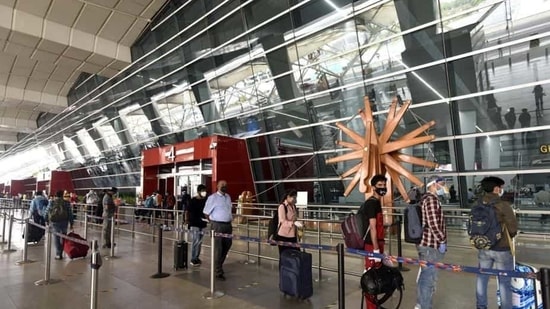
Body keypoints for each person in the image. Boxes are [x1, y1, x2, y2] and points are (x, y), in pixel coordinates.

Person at [476, 176, 518, 309]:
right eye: (500, 187)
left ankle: (481, 306)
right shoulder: (503, 205)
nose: (501, 190)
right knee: (504, 281)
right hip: (501, 248)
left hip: (483, 246)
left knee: (482, 278)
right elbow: (512, 228)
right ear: (496, 188)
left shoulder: (478, 204)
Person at [415, 176, 447, 309]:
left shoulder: (425, 199)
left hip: (425, 242)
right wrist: (442, 240)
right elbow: (433, 223)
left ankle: (421, 303)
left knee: (425, 275)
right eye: (441, 184)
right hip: (430, 244)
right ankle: (425, 306)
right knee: (429, 278)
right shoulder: (431, 200)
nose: (443, 187)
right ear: (433, 185)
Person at [362, 174, 387, 309]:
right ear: (373, 187)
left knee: (377, 276)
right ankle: (371, 307)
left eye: (384, 185)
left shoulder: (377, 202)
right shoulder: (371, 203)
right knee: (371, 278)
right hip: (372, 245)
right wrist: (376, 250)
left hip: (377, 244)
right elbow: (372, 227)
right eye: (379, 186)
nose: (383, 188)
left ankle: (374, 305)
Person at [203, 180, 233, 281]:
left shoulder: (228, 197)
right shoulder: (213, 198)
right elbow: (206, 213)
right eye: (222, 185)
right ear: (217, 186)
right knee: (218, 249)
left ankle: (218, 265)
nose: (224, 186)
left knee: (227, 246)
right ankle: (218, 271)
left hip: (228, 226)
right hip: (217, 225)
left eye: (226, 185)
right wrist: (213, 223)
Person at [45, 190, 74, 260]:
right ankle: (61, 250)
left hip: (54, 222)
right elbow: (70, 213)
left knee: (56, 237)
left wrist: (46, 220)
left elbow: (47, 211)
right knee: (63, 236)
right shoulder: (66, 202)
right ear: (62, 195)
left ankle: (58, 254)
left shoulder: (52, 202)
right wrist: (71, 223)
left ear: (55, 195)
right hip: (64, 221)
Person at [276, 189, 302, 256]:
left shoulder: (293, 206)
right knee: (284, 255)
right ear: (288, 197)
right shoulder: (282, 207)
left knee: (296, 254)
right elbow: (282, 221)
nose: (295, 199)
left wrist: (298, 224)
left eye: (296, 197)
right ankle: (283, 266)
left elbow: (294, 218)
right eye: (293, 197)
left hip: (292, 235)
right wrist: (293, 223)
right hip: (283, 236)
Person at [187, 184, 208, 266]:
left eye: (205, 191)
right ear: (198, 191)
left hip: (203, 223)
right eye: (203, 191)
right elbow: (187, 211)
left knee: (199, 241)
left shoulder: (205, 200)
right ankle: (193, 258)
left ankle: (196, 257)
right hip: (194, 223)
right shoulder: (193, 200)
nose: (204, 193)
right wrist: (187, 220)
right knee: (196, 241)